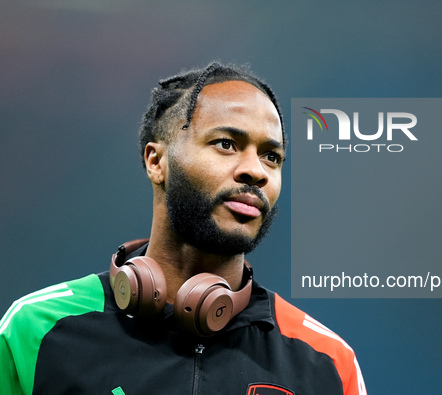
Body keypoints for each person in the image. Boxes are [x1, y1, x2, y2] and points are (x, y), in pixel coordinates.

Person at [0, 62, 366, 395]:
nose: (256, 171)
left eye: (272, 156)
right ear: (156, 161)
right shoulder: (36, 330)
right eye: (226, 144)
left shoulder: (328, 363)